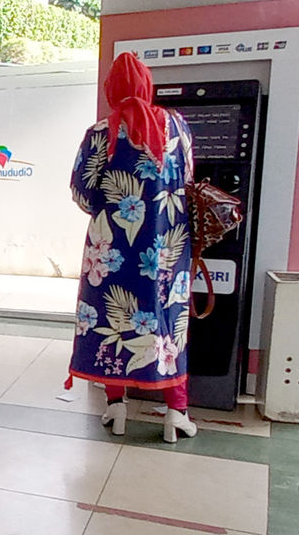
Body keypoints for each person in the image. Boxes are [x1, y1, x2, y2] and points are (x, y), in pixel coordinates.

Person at [66, 51, 198, 443]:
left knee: (113, 319)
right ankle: (177, 412)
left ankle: (116, 407)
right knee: (168, 321)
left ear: (112, 90)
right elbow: (187, 179)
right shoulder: (178, 126)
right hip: (167, 249)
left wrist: (110, 210)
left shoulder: (100, 133)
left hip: (111, 251)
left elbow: (82, 191)